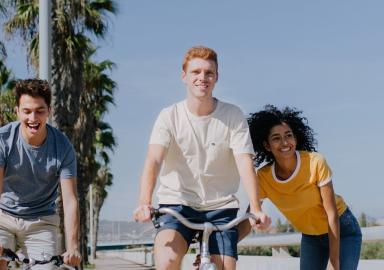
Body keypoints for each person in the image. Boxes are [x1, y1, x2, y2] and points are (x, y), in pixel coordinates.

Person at [133, 46, 271, 270]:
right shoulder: (169, 116)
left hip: (221, 207)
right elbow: (154, 160)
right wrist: (144, 202)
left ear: (216, 77)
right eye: (196, 72)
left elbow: (245, 162)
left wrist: (255, 208)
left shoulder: (233, 115)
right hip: (178, 205)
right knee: (167, 262)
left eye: (209, 73)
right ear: (184, 76)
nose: (202, 78)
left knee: (225, 267)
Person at [0, 79, 81, 270]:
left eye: (40, 111)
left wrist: (73, 247)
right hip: (2, 217)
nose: (33, 118)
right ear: (17, 111)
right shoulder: (1, 140)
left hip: (41, 221)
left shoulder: (63, 147)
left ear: (49, 111)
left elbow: (70, 200)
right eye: (27, 111)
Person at [244, 104, 362, 270]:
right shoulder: (263, 177)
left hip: (342, 230)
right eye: (276, 138)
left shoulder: (315, 162)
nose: (285, 142)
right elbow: (250, 216)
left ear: (295, 138)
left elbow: (332, 214)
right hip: (311, 236)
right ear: (266, 145)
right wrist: (224, 245)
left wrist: (334, 263)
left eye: (288, 135)